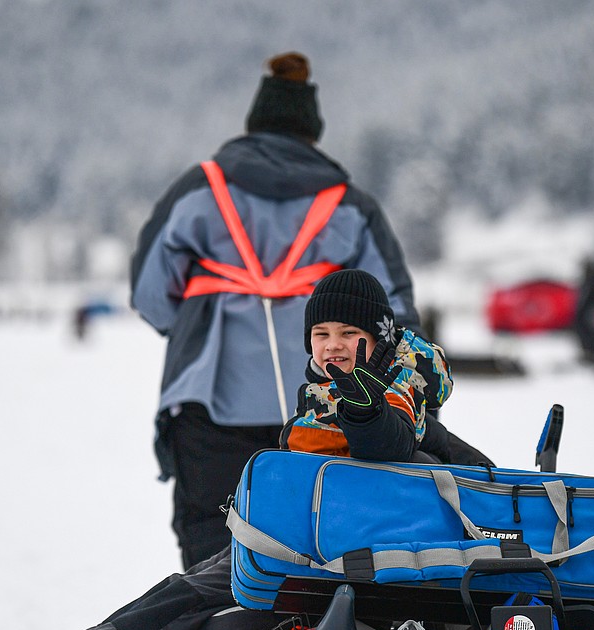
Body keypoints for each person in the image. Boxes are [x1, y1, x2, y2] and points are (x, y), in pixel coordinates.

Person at [0, 271, 458, 630]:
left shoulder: (394, 380)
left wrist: (364, 405)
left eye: (348, 336)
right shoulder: (334, 389)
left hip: (338, 547)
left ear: (376, 340)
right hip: (310, 535)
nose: (332, 347)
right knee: (181, 593)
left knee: (185, 598)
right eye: (320, 335)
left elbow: (389, 442)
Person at [130, 52, 422, 570]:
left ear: (253, 126)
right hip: (330, 405)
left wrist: (198, 318)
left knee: (212, 536)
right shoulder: (349, 205)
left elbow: (151, 295)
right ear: (311, 133)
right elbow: (395, 317)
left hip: (210, 401)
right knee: (322, 541)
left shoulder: (201, 191)